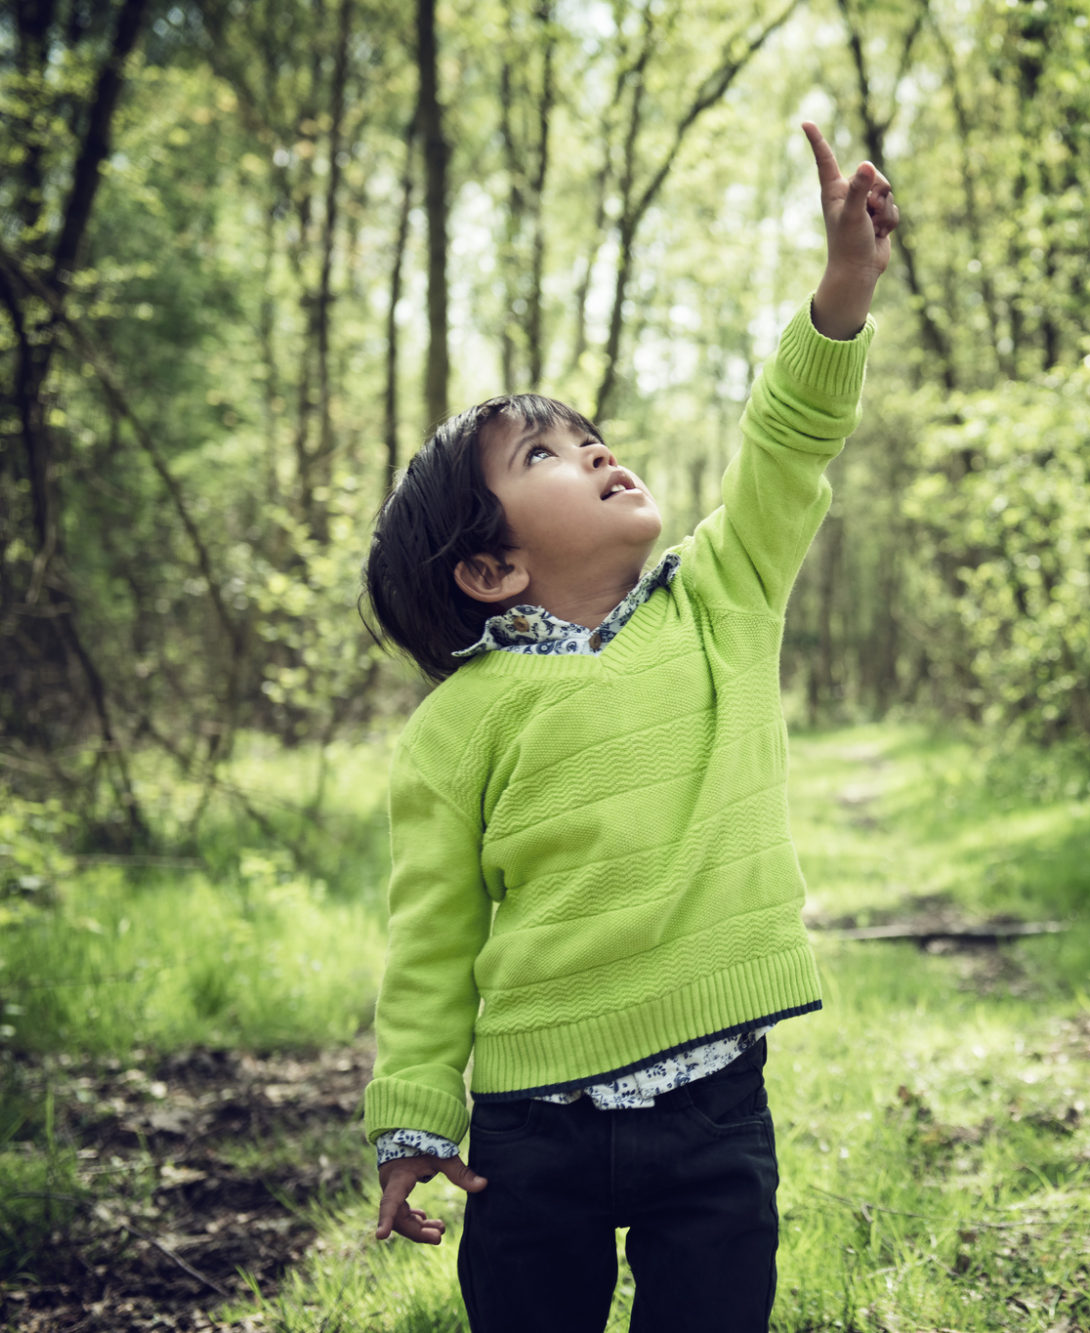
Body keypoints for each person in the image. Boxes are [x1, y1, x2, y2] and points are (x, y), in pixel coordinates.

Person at [355, 120, 897, 1333]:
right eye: (543, 452)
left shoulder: (721, 598)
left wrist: (842, 290)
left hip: (714, 1106)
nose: (592, 447)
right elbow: (431, 937)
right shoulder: (459, 727)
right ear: (490, 569)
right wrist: (412, 1118)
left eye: (588, 432)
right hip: (527, 1134)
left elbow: (786, 446)